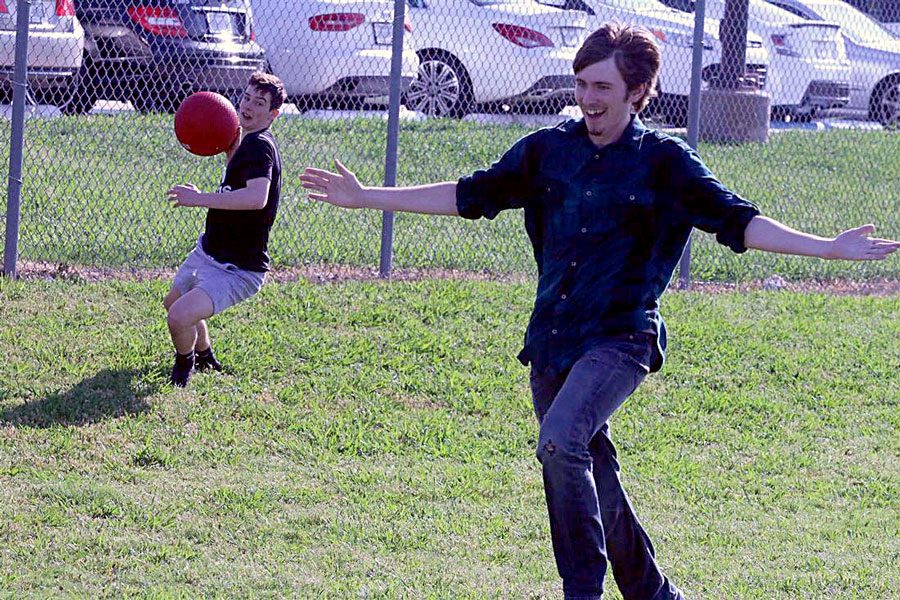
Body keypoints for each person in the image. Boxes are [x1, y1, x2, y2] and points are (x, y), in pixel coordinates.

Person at [300, 23, 899, 600]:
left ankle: (580, 591)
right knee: (593, 473)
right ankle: (653, 593)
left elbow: (739, 222)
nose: (588, 99)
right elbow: (469, 194)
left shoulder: (666, 162)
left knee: (561, 443)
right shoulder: (547, 151)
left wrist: (827, 247)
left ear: (637, 92)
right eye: (582, 84)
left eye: (603, 87)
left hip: (622, 338)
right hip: (553, 340)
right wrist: (366, 197)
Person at [164, 72, 286, 388]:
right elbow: (234, 190)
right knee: (173, 304)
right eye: (246, 97)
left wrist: (198, 199)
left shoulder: (259, 146)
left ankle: (183, 365)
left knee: (179, 316)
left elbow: (257, 198)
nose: (248, 106)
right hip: (210, 252)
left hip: (238, 269)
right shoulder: (244, 141)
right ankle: (204, 355)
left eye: (259, 103)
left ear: (274, 114)